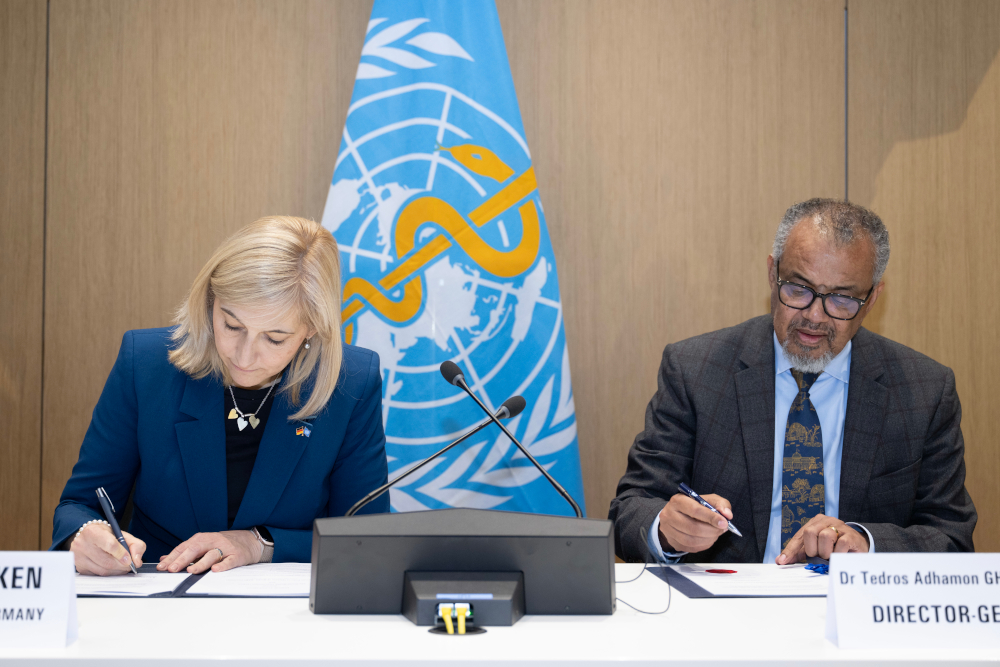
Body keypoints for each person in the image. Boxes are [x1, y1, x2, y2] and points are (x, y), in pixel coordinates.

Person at [609, 199, 976, 565]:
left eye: (842, 299)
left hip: (850, 611)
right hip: (727, 612)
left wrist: (867, 544)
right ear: (773, 273)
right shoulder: (695, 370)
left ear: (872, 298)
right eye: (798, 289)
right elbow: (631, 508)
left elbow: (950, 537)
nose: (815, 317)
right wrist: (667, 530)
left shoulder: (925, 391)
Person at [52, 216, 389, 575]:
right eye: (232, 325)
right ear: (211, 301)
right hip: (159, 598)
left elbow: (366, 539)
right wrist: (85, 535)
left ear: (311, 329)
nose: (244, 357)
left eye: (274, 338)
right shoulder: (146, 365)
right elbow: (79, 506)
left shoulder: (351, 383)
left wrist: (259, 544)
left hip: (286, 615)